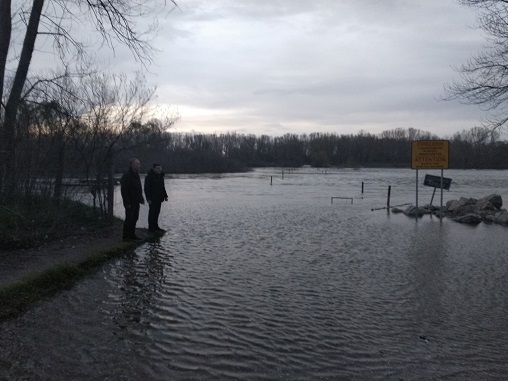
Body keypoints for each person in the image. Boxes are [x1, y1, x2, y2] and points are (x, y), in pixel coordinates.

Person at [120, 158, 145, 241]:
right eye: (137, 164)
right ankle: (126, 236)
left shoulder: (136, 175)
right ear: (132, 165)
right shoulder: (127, 176)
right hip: (129, 202)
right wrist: (126, 203)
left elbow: (139, 188)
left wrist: (141, 198)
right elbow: (124, 191)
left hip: (136, 201)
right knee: (129, 219)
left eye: (139, 164)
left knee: (135, 218)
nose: (139, 165)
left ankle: (132, 234)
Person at [144, 163, 168, 232]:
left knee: (157, 212)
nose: (159, 169)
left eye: (160, 168)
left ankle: (156, 226)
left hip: (159, 198)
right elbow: (146, 188)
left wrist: (165, 196)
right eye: (157, 168)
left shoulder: (160, 177)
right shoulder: (149, 177)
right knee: (152, 213)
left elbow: (162, 187)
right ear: (154, 169)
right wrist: (148, 198)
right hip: (152, 198)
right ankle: (151, 228)